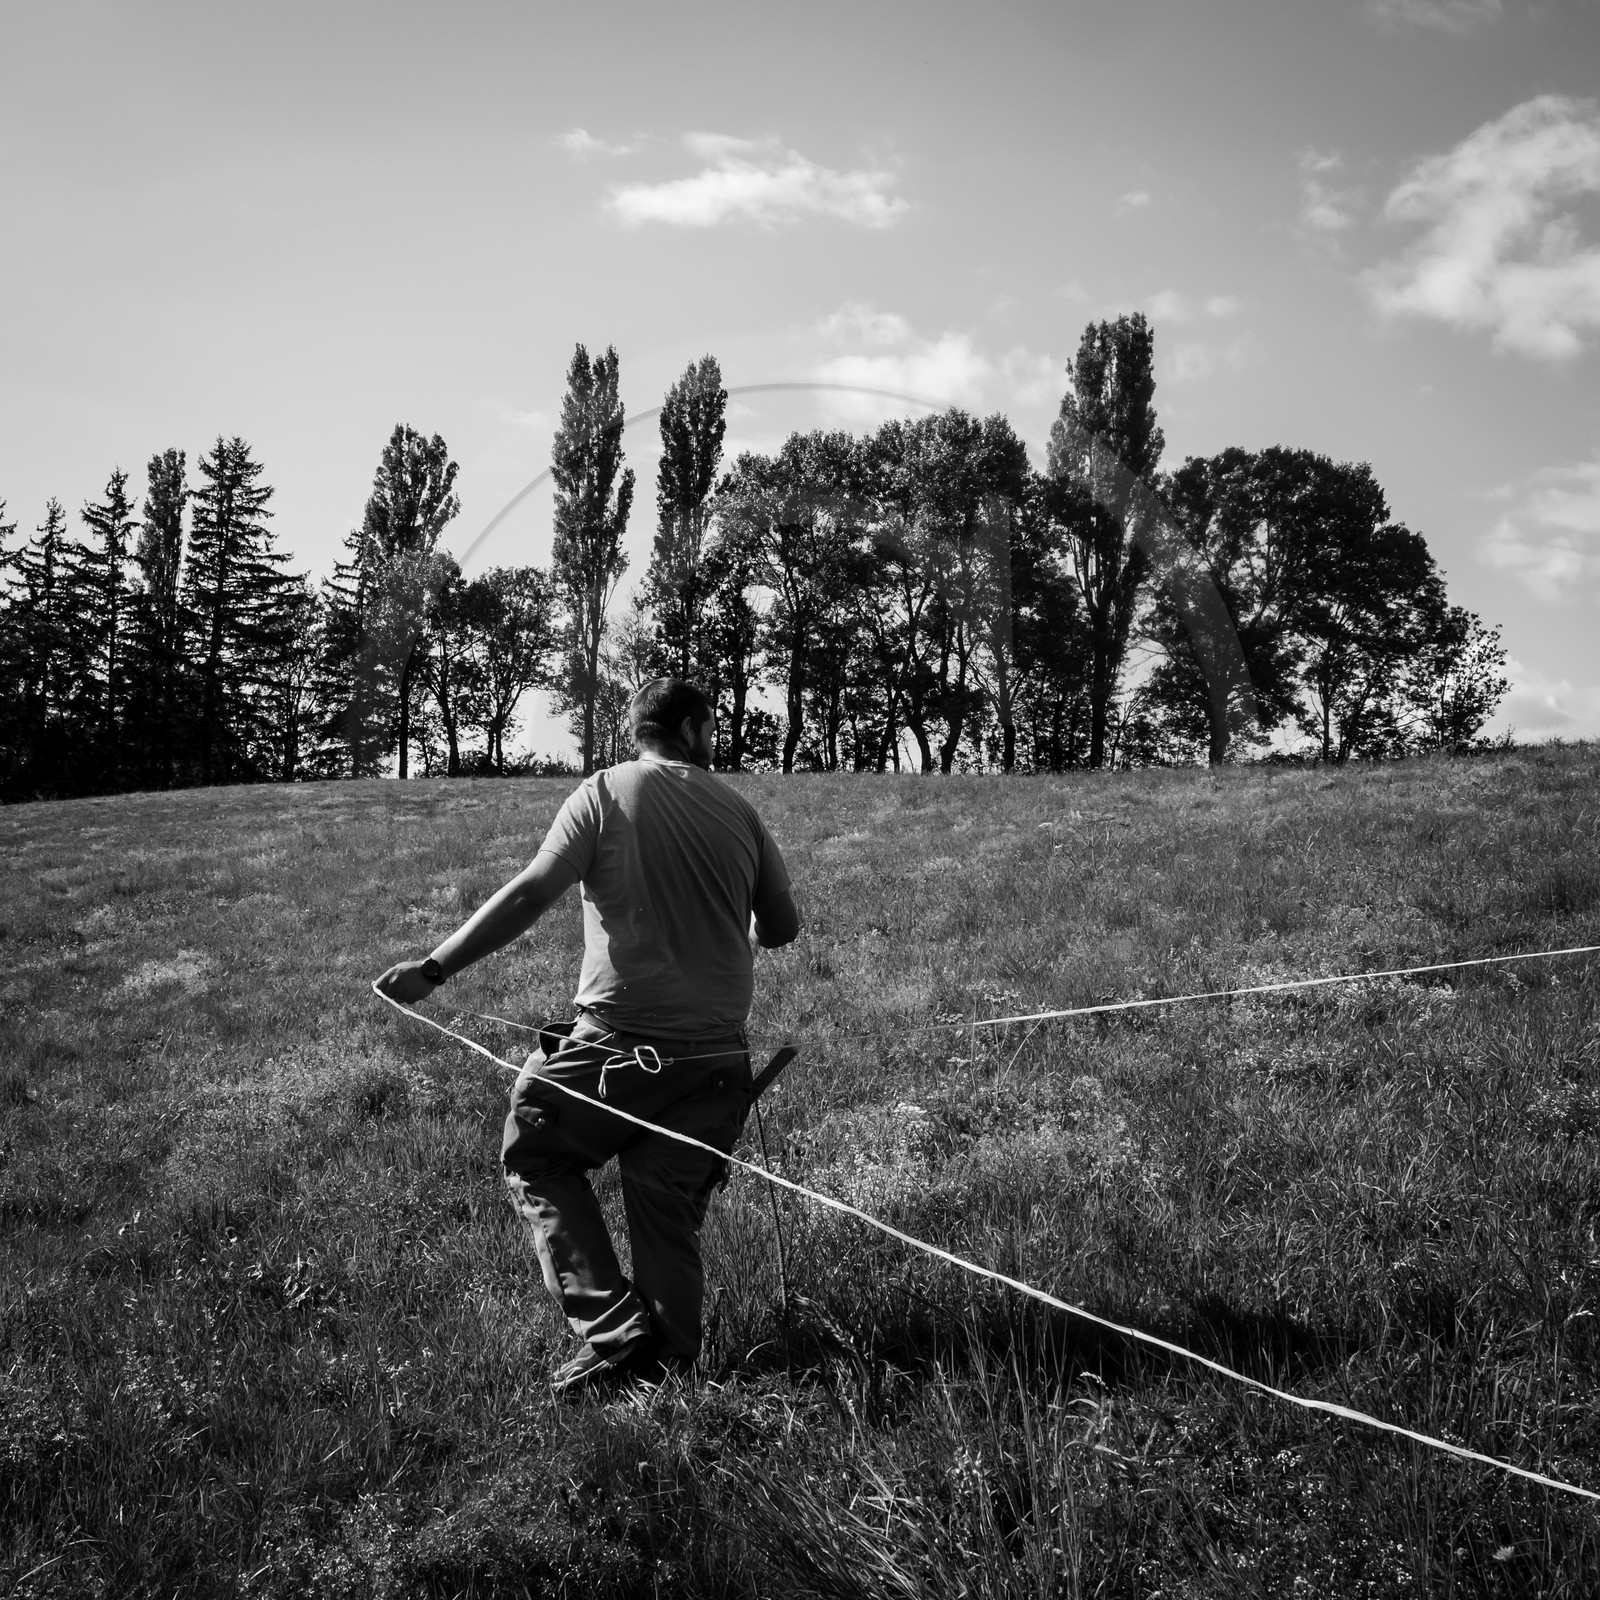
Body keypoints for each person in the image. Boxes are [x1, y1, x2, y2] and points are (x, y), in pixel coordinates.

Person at [375, 677, 800, 1395]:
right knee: (664, 1202)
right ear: (694, 730)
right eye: (712, 729)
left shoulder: (603, 794)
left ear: (639, 731)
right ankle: (666, 1377)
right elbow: (782, 929)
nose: (714, 740)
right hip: (721, 1059)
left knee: (535, 1154)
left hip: (617, 1050)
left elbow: (532, 892)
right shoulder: (742, 813)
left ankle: (615, 1331)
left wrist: (434, 968)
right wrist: (744, 925)